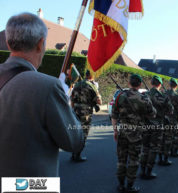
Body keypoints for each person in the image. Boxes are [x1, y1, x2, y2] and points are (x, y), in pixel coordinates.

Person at [0, 13, 84, 178]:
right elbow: (74, 141)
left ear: (9, 44)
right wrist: (65, 101)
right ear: (40, 44)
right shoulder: (48, 86)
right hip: (29, 188)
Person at [111, 74, 156, 193]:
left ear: (129, 83)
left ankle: (120, 185)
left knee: (121, 160)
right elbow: (152, 115)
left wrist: (115, 130)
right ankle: (129, 186)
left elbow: (114, 116)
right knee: (134, 160)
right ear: (140, 84)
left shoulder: (120, 96)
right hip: (136, 134)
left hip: (123, 132)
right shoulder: (144, 98)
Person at [140, 75, 173, 179]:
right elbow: (171, 110)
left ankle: (142, 170)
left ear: (151, 83)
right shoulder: (163, 97)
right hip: (158, 125)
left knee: (145, 148)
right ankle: (149, 172)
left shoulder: (145, 95)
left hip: (146, 125)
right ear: (160, 84)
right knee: (153, 148)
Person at [71, 70, 102, 161]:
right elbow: (99, 101)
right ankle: (77, 155)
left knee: (75, 132)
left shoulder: (76, 85)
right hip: (86, 113)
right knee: (83, 134)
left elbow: (72, 100)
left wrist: (74, 109)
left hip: (76, 111)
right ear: (91, 75)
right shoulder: (92, 86)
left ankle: (73, 153)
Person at [165, 78, 178, 157]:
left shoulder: (163, 93)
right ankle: (173, 152)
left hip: (164, 119)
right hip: (174, 119)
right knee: (174, 136)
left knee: (165, 137)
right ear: (176, 85)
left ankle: (163, 156)